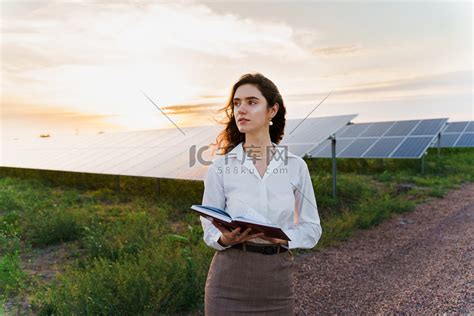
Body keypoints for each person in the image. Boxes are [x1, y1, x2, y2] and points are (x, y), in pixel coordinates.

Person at [200, 73, 322, 315]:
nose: (241, 109)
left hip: (276, 282)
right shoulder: (220, 168)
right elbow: (209, 226)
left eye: (251, 102)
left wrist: (285, 238)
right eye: (236, 103)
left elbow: (312, 228)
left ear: (272, 110)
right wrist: (225, 238)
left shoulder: (296, 166)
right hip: (228, 279)